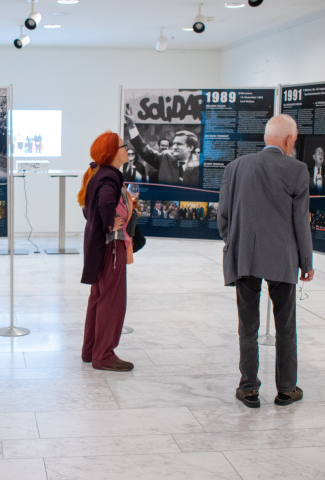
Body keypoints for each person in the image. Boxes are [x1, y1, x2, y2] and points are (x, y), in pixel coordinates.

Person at [218, 114, 314, 409]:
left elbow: (223, 216)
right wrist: (306, 262)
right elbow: (301, 223)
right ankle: (286, 389)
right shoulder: (297, 170)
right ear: (288, 140)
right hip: (282, 260)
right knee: (285, 326)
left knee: (247, 326)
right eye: (294, 140)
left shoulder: (235, 167)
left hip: (244, 256)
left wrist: (233, 243)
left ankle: (248, 388)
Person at [78, 130, 136, 372]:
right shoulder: (110, 177)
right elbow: (103, 203)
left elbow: (87, 207)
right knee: (111, 300)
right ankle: (104, 355)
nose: (126, 150)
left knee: (99, 296)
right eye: (123, 146)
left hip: (97, 245)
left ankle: (91, 350)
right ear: (113, 152)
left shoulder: (98, 175)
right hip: (111, 246)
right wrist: (111, 224)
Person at [124, 115, 200, 185]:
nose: (174, 147)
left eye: (179, 144)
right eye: (174, 144)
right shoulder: (165, 157)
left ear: (190, 147)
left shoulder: (200, 164)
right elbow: (145, 151)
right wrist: (132, 126)